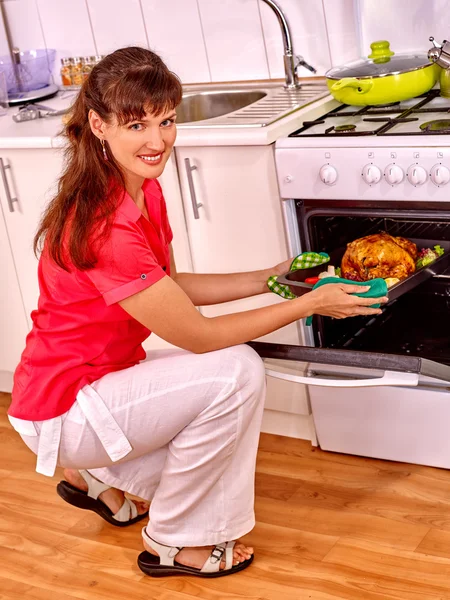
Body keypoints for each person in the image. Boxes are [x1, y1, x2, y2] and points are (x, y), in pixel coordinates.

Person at [7, 47, 387, 578]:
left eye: (166, 121)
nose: (157, 141)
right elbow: (201, 338)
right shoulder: (105, 223)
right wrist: (310, 302)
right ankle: (176, 541)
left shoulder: (140, 189)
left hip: (87, 384)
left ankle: (96, 477)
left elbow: (169, 287)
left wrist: (270, 278)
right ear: (98, 124)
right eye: (136, 124)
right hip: (66, 404)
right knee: (235, 371)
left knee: (216, 399)